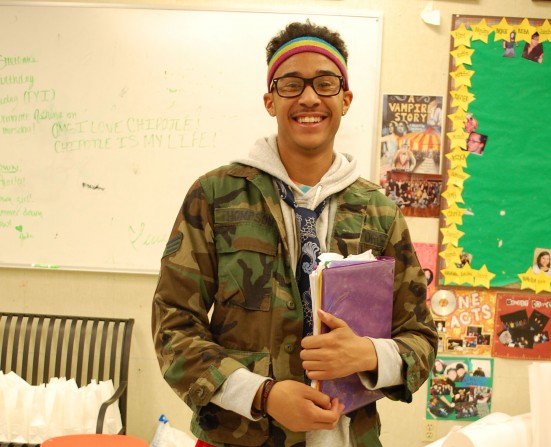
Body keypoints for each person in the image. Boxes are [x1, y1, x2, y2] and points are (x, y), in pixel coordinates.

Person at [151, 20, 438, 447]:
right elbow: (173, 326)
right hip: (237, 437)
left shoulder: (379, 211)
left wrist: (368, 354)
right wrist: (262, 394)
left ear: (346, 99)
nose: (309, 98)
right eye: (291, 84)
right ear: (270, 100)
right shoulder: (216, 196)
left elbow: (421, 338)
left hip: (346, 437)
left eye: (325, 83)